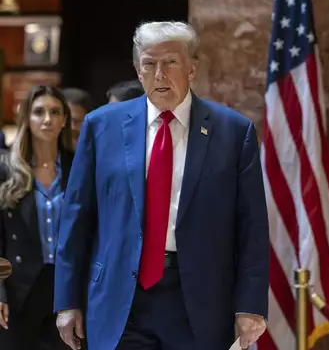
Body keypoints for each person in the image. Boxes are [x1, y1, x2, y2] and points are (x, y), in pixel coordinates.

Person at [54, 21, 269, 350]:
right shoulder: (101, 126)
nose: (159, 74)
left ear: (192, 68)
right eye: (149, 64)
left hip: (198, 301)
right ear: (138, 72)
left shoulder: (233, 132)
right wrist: (67, 301)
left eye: (170, 62)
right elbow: (77, 217)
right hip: (120, 298)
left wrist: (250, 305)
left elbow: (251, 226)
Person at [0, 86, 74, 350]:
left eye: (55, 112)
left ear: (65, 119)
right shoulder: (6, 169)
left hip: (67, 286)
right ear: (27, 119)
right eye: (39, 112)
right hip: (20, 285)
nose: (47, 119)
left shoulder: (79, 165)